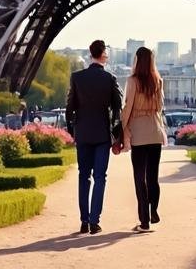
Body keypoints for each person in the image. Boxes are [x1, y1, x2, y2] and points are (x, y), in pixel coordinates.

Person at [66, 39, 123, 235]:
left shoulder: (77, 77)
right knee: (100, 177)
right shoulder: (109, 78)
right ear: (104, 56)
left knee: (84, 176)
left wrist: (73, 130)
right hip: (101, 134)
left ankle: (83, 220)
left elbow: (69, 107)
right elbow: (118, 107)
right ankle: (94, 221)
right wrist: (117, 133)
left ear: (91, 54)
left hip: (83, 133)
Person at [120, 46, 167, 232]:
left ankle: (144, 221)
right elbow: (161, 107)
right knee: (153, 177)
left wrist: (123, 129)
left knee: (140, 178)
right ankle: (154, 210)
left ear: (137, 61)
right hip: (155, 131)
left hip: (139, 132)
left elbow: (128, 107)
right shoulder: (158, 81)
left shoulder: (132, 81)